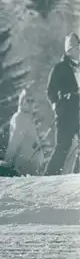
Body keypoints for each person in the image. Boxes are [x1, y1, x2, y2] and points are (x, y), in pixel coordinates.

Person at [44, 32, 80, 175]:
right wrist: (56, 105)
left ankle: (77, 176)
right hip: (66, 113)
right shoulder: (60, 68)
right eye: (77, 48)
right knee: (63, 147)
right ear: (69, 50)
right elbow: (50, 91)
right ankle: (49, 177)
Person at [4, 89, 44, 176]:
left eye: (32, 101)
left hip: (32, 162)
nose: (30, 103)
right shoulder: (20, 118)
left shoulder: (29, 118)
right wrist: (8, 161)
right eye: (27, 100)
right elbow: (15, 141)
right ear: (21, 102)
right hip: (24, 162)